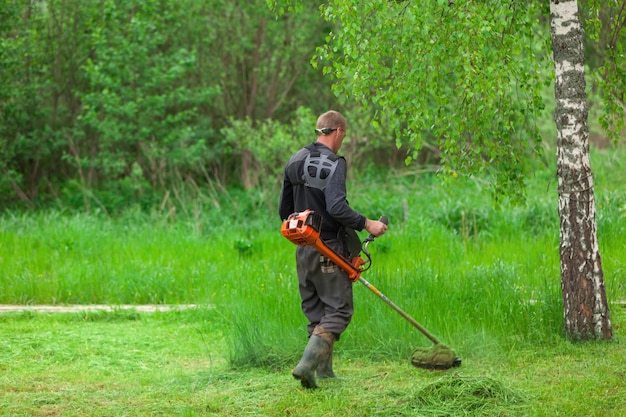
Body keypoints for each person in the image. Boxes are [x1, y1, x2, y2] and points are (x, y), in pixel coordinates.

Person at [278, 110, 388, 389]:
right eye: (344, 136)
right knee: (339, 310)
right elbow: (337, 207)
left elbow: (284, 211)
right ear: (338, 131)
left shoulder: (294, 160)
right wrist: (367, 224)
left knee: (317, 312)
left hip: (303, 248)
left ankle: (322, 374)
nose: (343, 141)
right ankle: (306, 366)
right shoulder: (335, 162)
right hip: (328, 247)